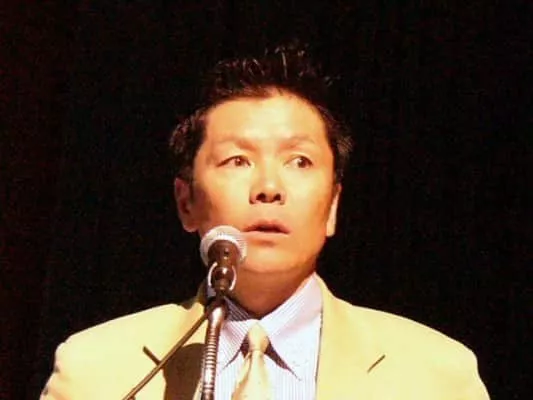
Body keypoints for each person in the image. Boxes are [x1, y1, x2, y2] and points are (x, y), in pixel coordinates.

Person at [40, 43, 489, 399]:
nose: (269, 187)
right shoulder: (96, 368)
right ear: (186, 202)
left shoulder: (436, 374)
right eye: (237, 160)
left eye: (299, 161)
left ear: (333, 205)